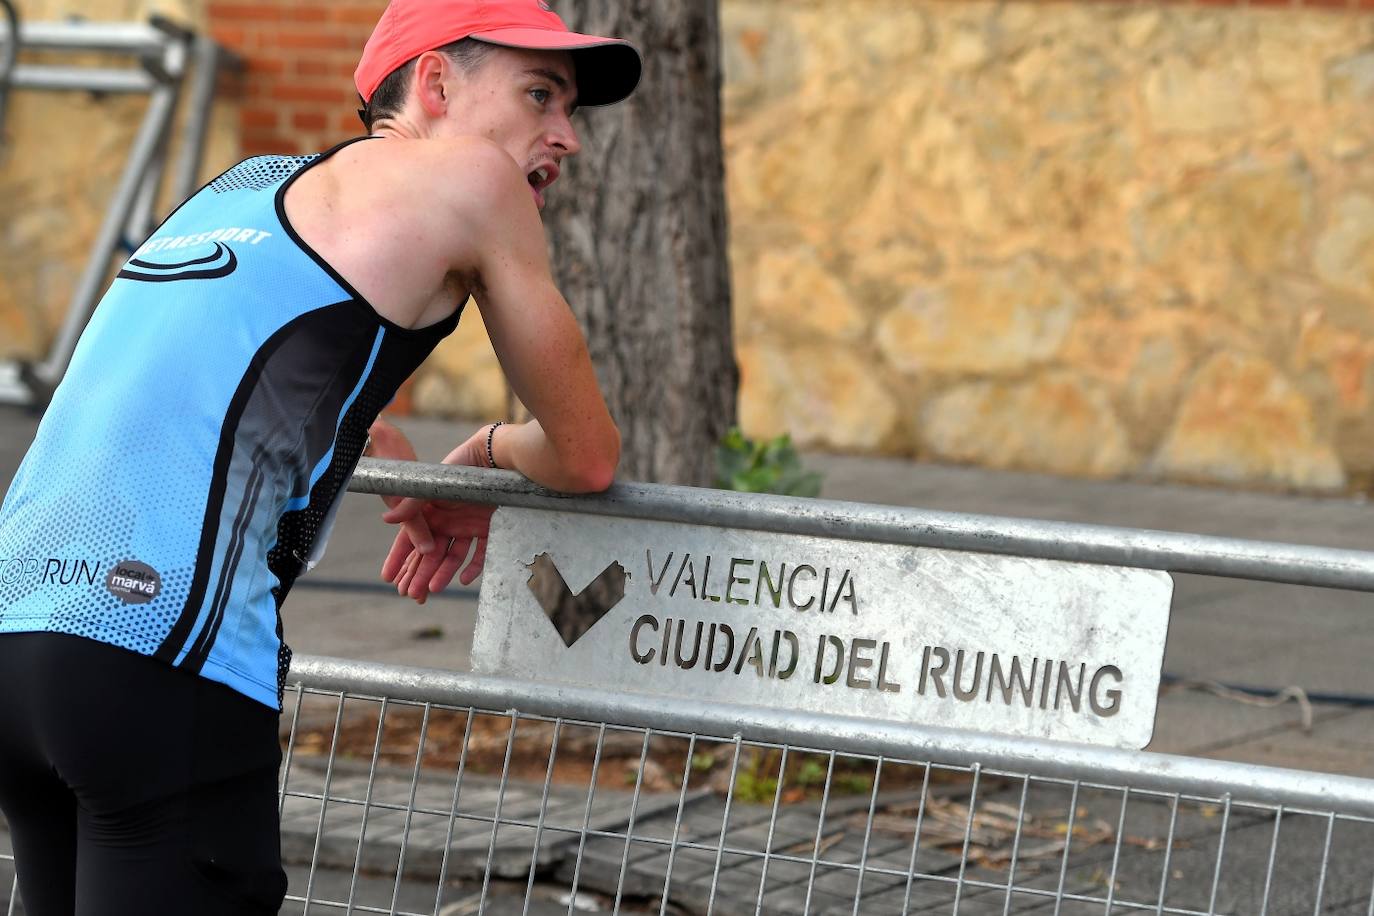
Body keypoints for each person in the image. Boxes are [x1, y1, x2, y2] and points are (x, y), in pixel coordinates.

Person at [0, 0, 640, 912]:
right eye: (541, 93)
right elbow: (584, 453)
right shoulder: (471, 179)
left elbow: (192, 379)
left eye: (569, 109)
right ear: (435, 83)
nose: (563, 135)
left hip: (23, 632)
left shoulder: (242, 188)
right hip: (158, 655)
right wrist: (491, 451)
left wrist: (368, 446)